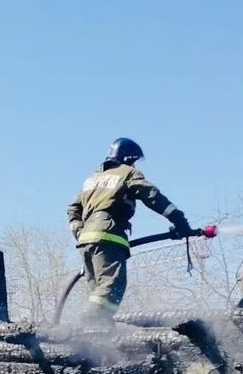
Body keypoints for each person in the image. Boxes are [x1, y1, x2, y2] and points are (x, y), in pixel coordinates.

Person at [66, 137, 192, 322]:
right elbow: (152, 196)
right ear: (127, 158)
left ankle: (99, 338)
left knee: (98, 292)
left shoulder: (91, 179)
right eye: (133, 160)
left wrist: (80, 232)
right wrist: (179, 220)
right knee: (111, 285)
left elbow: (72, 209)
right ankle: (85, 324)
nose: (134, 164)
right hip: (109, 236)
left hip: (86, 241)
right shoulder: (127, 173)